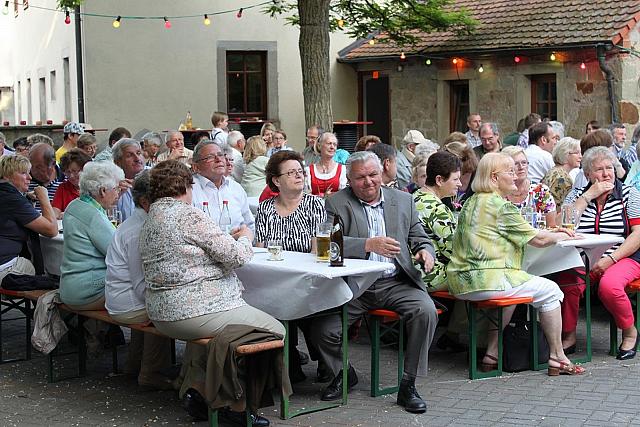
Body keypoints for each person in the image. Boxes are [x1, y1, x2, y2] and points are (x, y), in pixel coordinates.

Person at [139, 160, 283, 424]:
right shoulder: (186, 214)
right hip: (193, 311)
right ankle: (236, 407)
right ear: (187, 185)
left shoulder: (153, 217)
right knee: (273, 331)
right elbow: (237, 257)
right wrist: (245, 237)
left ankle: (200, 393)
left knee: (223, 335)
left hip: (161, 312)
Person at [312, 151, 438, 413]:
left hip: (397, 281)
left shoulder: (403, 200)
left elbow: (420, 237)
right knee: (322, 328)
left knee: (425, 312)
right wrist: (368, 244)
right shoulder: (337, 203)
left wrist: (426, 252)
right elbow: (324, 245)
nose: (368, 182)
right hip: (356, 286)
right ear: (349, 179)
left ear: (382, 173)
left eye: (373, 175)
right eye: (360, 178)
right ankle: (344, 372)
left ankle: (408, 384)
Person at [446, 152, 585, 376]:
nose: (515, 176)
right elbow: (538, 240)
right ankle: (557, 357)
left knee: (517, 285)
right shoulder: (502, 207)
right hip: (488, 280)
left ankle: (492, 353)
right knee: (551, 291)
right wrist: (565, 235)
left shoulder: (471, 201)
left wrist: (554, 232)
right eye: (509, 172)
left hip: (461, 281)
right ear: (494, 178)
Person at [558, 146, 640, 360]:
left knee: (610, 286)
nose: (606, 174)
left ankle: (630, 332)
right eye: (599, 170)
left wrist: (611, 259)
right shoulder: (576, 194)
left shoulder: (629, 194)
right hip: (581, 257)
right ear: (587, 175)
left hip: (623, 256)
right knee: (568, 282)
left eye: (609, 168)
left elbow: (638, 234)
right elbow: (562, 225)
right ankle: (568, 336)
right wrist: (587, 197)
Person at [254, 151, 327, 382]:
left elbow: (318, 250)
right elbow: (260, 248)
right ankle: (288, 362)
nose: (299, 176)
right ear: (276, 180)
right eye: (292, 172)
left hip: (305, 280)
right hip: (273, 279)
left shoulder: (314, 205)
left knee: (307, 310)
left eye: (300, 171)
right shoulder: (265, 208)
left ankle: (321, 361)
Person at [105, 170, 173, 390]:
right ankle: (151, 373)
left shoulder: (138, 223)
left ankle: (135, 365)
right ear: (145, 202)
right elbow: (141, 284)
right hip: (125, 303)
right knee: (172, 310)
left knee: (165, 303)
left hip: (122, 298)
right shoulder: (139, 230)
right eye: (163, 198)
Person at [59, 161, 124, 310]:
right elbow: (117, 253)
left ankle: (104, 333)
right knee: (143, 297)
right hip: (88, 292)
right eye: (116, 189)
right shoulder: (93, 215)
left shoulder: (75, 205)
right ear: (102, 191)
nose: (118, 193)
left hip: (70, 286)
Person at [0, 155, 58, 282]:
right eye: (23, 173)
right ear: (6, 176)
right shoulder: (12, 199)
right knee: (51, 271)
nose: (30, 178)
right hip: (4, 268)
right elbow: (51, 230)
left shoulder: (6, 194)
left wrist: (26, 198)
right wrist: (44, 198)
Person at [414, 151, 461, 291]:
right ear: (439, 180)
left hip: (413, 272)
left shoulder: (414, 196)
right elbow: (454, 251)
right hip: (431, 275)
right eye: (455, 179)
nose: (460, 183)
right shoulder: (436, 208)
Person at [191, 140, 255, 233]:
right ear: (196, 167)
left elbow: (250, 224)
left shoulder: (236, 188)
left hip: (240, 244)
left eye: (221, 155)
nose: (218, 159)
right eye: (210, 157)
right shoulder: (189, 190)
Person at [502, 146, 557, 227]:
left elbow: (551, 226)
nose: (521, 167)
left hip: (540, 238)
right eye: (515, 164)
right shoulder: (499, 193)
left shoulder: (541, 191)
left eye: (524, 163)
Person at [542, 137, 582, 212]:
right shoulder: (562, 178)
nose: (580, 156)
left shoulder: (554, 171)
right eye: (577, 153)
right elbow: (565, 208)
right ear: (565, 154)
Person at [52, 149, 92, 218]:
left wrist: (70, 214)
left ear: (85, 169)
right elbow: (54, 213)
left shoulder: (95, 188)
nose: (71, 176)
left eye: (75, 171)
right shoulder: (63, 188)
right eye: (68, 172)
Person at [113, 138, 145, 222]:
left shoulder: (154, 177)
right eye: (129, 155)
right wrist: (115, 198)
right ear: (117, 162)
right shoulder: (113, 185)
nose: (137, 158)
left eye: (138, 153)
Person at [306, 132, 347, 197]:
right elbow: (306, 195)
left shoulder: (342, 169)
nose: (332, 147)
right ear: (319, 146)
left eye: (335, 144)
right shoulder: (309, 170)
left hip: (335, 206)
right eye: (329, 143)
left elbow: (344, 195)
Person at [28, 143, 64, 211]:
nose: (33, 171)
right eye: (31, 165)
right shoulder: (24, 179)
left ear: (53, 163)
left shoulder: (67, 179)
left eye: (39, 167)